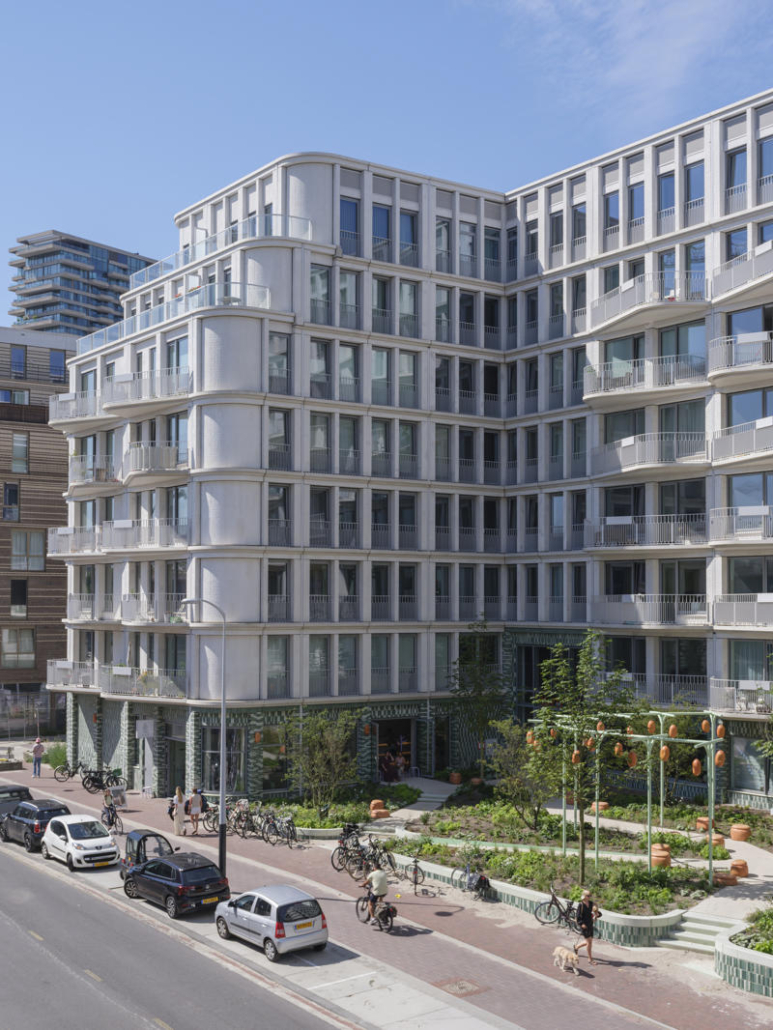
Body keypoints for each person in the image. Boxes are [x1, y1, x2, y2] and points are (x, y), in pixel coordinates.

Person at [574, 889, 601, 965]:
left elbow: (596, 912)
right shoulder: (581, 905)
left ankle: (576, 947)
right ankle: (590, 959)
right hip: (584, 926)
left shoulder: (592, 904)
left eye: (590, 895)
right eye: (588, 895)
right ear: (584, 896)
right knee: (589, 942)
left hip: (590, 925)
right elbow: (578, 916)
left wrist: (598, 914)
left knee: (589, 942)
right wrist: (581, 924)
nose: (589, 897)